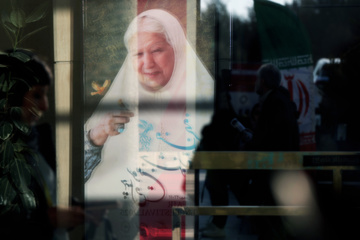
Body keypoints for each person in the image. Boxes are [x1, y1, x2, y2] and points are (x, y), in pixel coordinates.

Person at [84, 9, 214, 239]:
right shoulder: (120, 98)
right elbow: (77, 176)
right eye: (137, 53)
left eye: (156, 50)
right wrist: (97, 136)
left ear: (177, 50)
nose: (147, 63)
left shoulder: (202, 100)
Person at [0, 49, 84, 240]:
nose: (45, 106)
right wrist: (47, 220)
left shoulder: (39, 139)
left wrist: (79, 210)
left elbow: (50, 198)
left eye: (45, 95)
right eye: (37, 95)